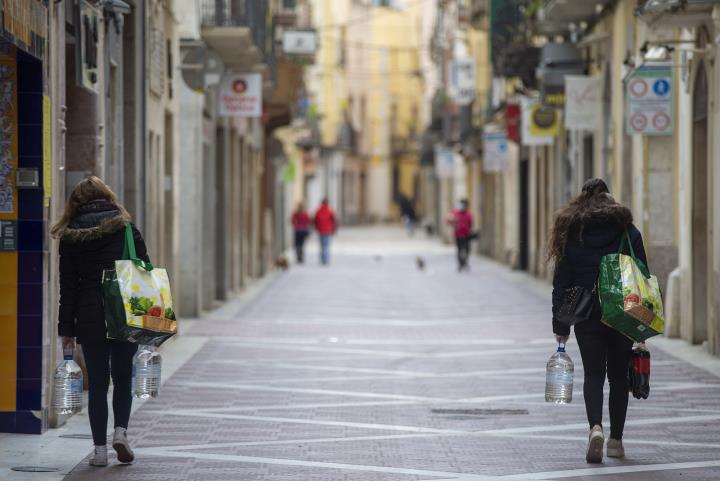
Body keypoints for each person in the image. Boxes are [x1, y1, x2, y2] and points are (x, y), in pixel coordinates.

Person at [51, 176, 151, 467]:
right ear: (108, 197)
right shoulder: (126, 230)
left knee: (97, 383)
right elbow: (144, 270)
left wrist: (66, 330)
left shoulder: (70, 236)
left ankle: (98, 451)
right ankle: (120, 432)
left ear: (76, 203)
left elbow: (67, 287)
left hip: (90, 315)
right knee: (123, 378)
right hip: (123, 312)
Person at [548, 178, 648, 464]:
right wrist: (643, 323)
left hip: (586, 313)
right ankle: (616, 441)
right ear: (609, 198)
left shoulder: (573, 233)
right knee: (618, 377)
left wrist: (561, 325)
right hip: (622, 312)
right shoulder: (628, 231)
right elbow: (643, 275)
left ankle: (595, 428)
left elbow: (561, 282)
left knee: (593, 374)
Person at [446, 199, 473, 271]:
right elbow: (448, 220)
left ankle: (465, 262)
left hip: (466, 234)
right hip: (458, 234)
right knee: (459, 249)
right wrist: (453, 224)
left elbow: (471, 223)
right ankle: (460, 263)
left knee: (467, 249)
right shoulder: (455, 212)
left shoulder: (468, 214)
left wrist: (469, 230)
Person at [313, 198, 337, 265]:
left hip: (320, 231)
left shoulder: (318, 211)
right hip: (328, 230)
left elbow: (315, 221)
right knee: (327, 246)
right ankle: (326, 259)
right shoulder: (330, 211)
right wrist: (334, 229)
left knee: (322, 246)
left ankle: (323, 259)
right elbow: (334, 221)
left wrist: (316, 228)